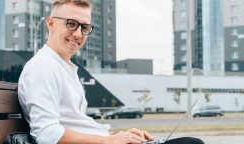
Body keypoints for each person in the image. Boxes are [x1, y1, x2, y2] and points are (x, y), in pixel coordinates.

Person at [18, 0, 204, 144]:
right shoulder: (43, 67)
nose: (78, 34)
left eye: (84, 27)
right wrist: (108, 140)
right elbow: (46, 133)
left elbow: (76, 123)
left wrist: (116, 135)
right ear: (51, 24)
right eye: (71, 24)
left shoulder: (63, 68)